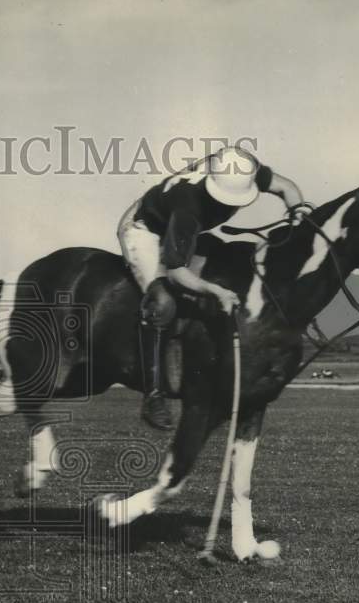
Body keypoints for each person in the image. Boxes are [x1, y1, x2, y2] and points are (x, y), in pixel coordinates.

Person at [117, 146, 306, 430]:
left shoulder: (238, 167)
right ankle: (153, 394)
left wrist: (298, 212)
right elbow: (177, 271)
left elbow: (287, 187)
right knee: (163, 302)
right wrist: (215, 291)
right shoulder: (187, 207)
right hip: (144, 229)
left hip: (179, 226)